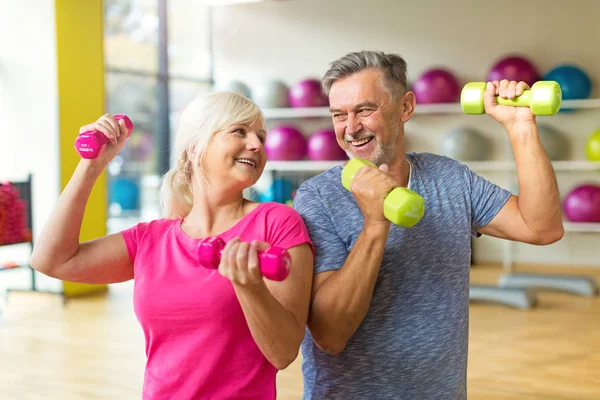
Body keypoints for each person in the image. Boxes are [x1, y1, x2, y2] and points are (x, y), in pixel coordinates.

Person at [293, 50, 564, 399]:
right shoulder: (317, 197)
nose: (350, 128)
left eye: (364, 110)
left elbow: (541, 227)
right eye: (339, 115)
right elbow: (330, 335)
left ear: (405, 107)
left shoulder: (449, 178)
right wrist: (375, 225)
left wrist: (520, 127)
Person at [30, 91, 314, 399]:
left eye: (261, 135)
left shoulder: (277, 222)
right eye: (239, 131)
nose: (257, 144)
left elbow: (283, 353)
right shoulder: (151, 239)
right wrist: (91, 165)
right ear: (195, 148)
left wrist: (250, 287)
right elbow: (51, 260)